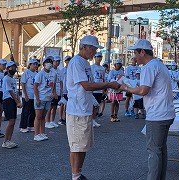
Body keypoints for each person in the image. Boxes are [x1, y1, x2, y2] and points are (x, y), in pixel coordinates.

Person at [66, 35, 120, 180]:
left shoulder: (85, 64)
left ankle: (78, 172)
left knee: (83, 145)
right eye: (93, 49)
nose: (95, 53)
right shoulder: (77, 62)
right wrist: (108, 85)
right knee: (77, 145)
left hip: (84, 108)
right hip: (76, 110)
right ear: (84, 47)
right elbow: (86, 85)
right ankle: (75, 175)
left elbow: (87, 88)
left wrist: (94, 103)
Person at [120, 39, 175, 180]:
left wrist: (126, 87)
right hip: (166, 113)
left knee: (154, 152)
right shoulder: (159, 65)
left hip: (157, 114)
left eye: (135, 53)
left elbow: (143, 90)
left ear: (143, 52)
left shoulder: (149, 67)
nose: (134, 57)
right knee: (161, 150)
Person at [34, 56, 57, 141]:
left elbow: (53, 85)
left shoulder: (53, 74)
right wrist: (37, 99)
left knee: (43, 116)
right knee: (38, 116)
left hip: (48, 98)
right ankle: (36, 134)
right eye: (47, 62)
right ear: (43, 64)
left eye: (50, 62)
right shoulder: (40, 74)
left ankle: (42, 132)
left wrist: (54, 93)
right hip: (41, 97)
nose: (49, 64)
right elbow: (35, 87)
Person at [2, 61, 22, 148]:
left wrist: (19, 100)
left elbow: (15, 91)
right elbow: (10, 91)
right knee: (11, 121)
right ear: (8, 68)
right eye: (12, 67)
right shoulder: (6, 79)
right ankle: (5, 141)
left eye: (15, 67)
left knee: (13, 121)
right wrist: (17, 101)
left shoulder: (13, 79)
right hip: (8, 100)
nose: (14, 69)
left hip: (13, 100)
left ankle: (9, 139)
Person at [19, 58, 38, 133]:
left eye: (36, 64)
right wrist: (25, 95)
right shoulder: (26, 73)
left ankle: (30, 125)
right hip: (27, 95)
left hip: (34, 95)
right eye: (34, 64)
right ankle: (23, 126)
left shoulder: (37, 74)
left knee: (32, 111)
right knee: (25, 111)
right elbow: (23, 84)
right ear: (30, 65)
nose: (35, 66)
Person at [45, 55, 62, 129]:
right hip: (51, 90)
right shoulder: (51, 70)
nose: (57, 63)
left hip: (58, 90)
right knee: (50, 107)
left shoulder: (59, 70)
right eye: (56, 61)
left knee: (55, 106)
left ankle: (52, 121)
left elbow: (61, 81)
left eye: (58, 61)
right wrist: (52, 92)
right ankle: (47, 121)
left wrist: (61, 90)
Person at [90, 52, 105, 127]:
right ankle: (90, 120)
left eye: (100, 57)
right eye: (97, 57)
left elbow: (103, 79)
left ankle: (94, 120)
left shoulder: (102, 68)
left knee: (97, 105)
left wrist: (104, 90)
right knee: (92, 105)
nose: (99, 58)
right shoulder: (92, 67)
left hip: (100, 89)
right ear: (94, 58)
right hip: (93, 88)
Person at [58, 56, 72, 125]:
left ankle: (66, 118)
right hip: (63, 89)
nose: (68, 62)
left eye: (70, 60)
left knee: (68, 104)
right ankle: (60, 118)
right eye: (67, 60)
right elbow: (60, 80)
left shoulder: (72, 70)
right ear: (65, 62)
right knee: (62, 104)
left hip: (69, 90)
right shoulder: (62, 70)